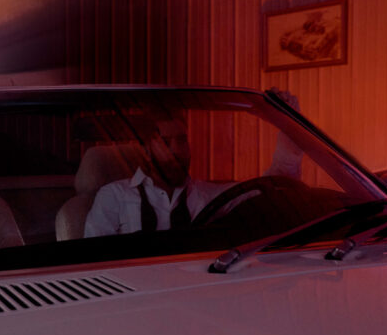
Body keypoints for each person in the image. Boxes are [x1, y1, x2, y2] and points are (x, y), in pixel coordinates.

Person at [83, 89, 303, 238]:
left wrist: (287, 121)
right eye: (166, 143)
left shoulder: (209, 197)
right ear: (146, 149)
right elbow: (91, 264)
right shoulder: (114, 197)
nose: (178, 151)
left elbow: (277, 184)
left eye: (182, 140)